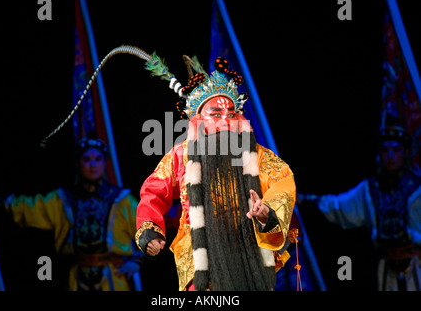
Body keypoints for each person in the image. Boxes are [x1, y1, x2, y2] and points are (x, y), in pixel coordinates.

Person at [135, 57, 296, 291]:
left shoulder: (257, 155)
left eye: (231, 115)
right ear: (198, 120)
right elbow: (153, 191)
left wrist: (267, 212)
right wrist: (150, 229)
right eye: (215, 114)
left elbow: (283, 180)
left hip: (250, 257)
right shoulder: (182, 155)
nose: (225, 122)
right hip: (202, 260)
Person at [0, 135, 142, 291]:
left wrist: (137, 261)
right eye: (86, 160)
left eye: (98, 159)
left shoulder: (121, 199)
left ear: (104, 162)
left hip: (112, 279)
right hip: (76, 279)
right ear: (78, 164)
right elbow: (30, 207)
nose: (92, 165)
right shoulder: (63, 200)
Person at [297, 121, 421, 291]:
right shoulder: (370, 189)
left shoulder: (418, 188)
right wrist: (302, 199)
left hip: (417, 265)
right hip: (387, 268)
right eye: (385, 150)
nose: (391, 155)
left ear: (406, 152)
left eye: (396, 150)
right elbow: (338, 206)